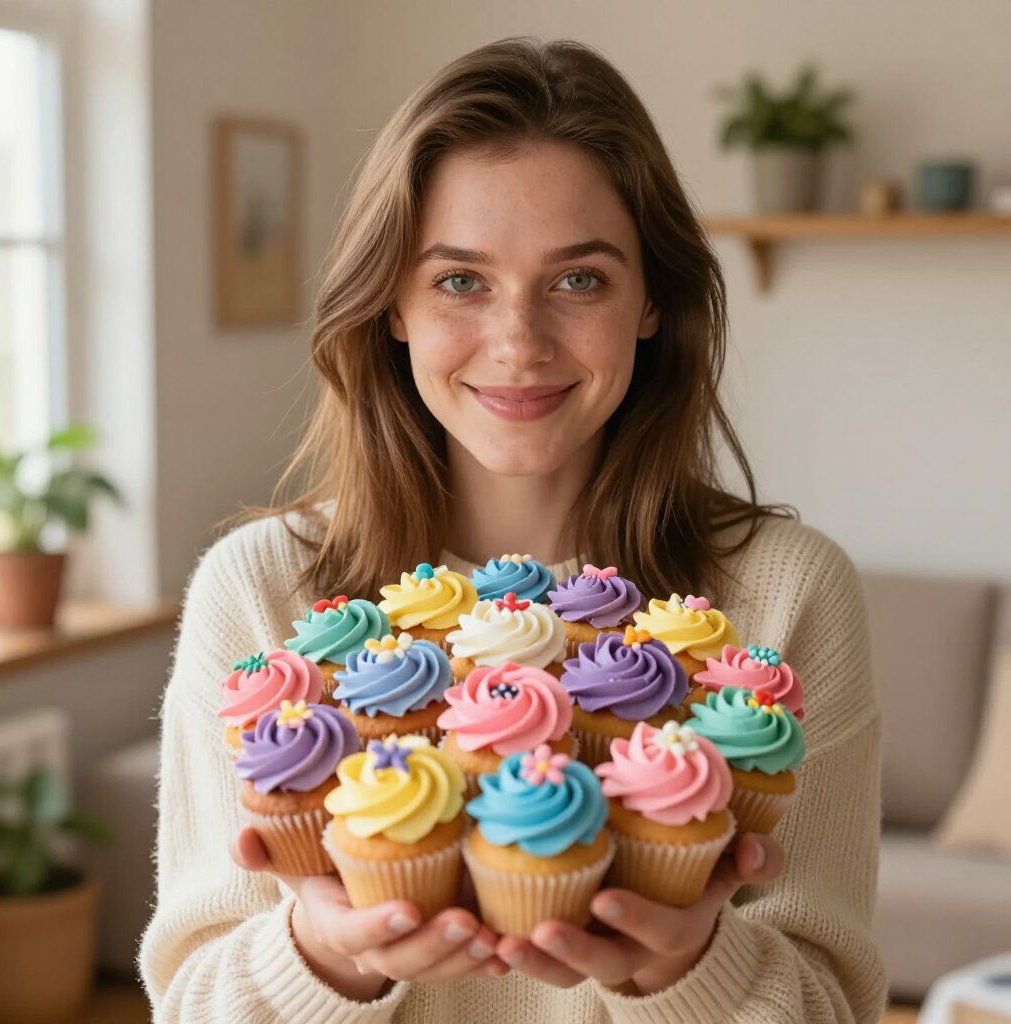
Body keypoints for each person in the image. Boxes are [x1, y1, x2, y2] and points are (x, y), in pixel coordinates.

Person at [139, 36, 887, 1023]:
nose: (518, 344)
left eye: (579, 280)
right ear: (391, 305)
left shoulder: (787, 593)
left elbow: (831, 1005)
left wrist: (690, 969)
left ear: (651, 300)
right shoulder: (261, 591)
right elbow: (190, 1003)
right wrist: (321, 957)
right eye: (459, 280)